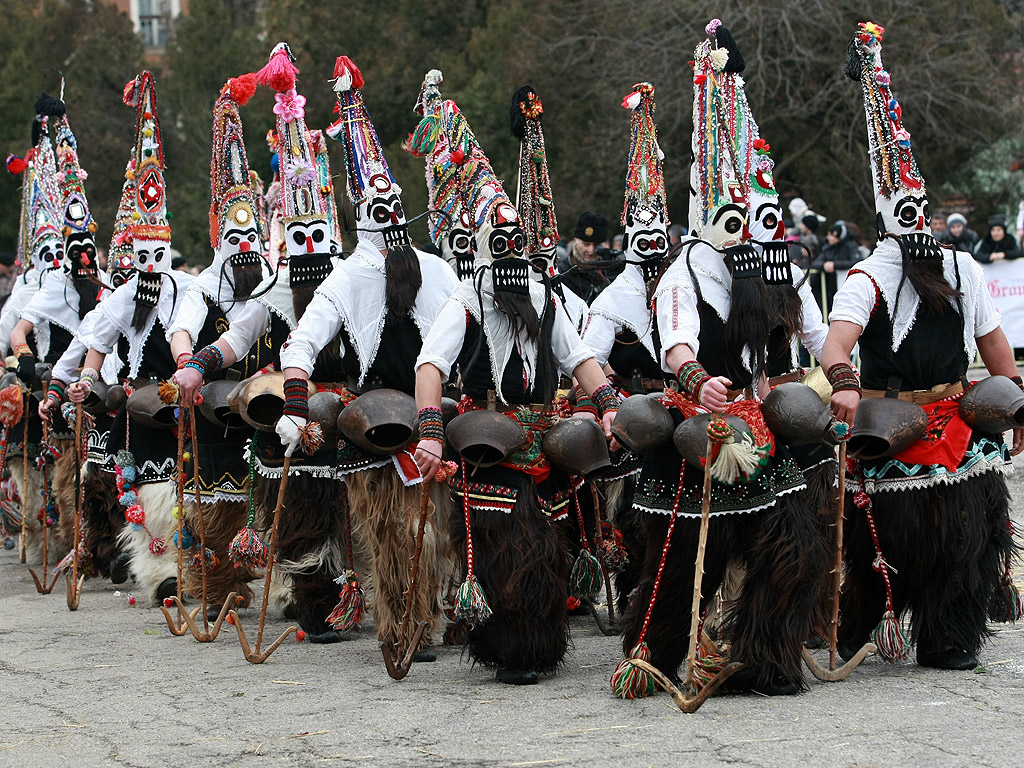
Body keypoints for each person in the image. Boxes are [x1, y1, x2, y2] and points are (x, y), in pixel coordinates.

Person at [617, 20, 832, 697]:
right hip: (698, 429)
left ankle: (765, 658)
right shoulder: (684, 272)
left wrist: (846, 381)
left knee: (797, 548)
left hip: (767, 426)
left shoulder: (775, 270)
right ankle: (651, 655)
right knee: (681, 564)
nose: (752, 232)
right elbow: (676, 340)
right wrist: (696, 378)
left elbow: (820, 336)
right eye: (737, 217)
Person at [823, 21, 1019, 671]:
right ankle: (863, 620)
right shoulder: (869, 273)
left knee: (969, 537)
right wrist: (845, 382)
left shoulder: (962, 266)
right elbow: (837, 341)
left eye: (921, 208)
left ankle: (951, 633)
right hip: (890, 423)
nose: (917, 218)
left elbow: (994, 346)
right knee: (885, 543)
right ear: (888, 213)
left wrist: (1018, 405)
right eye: (904, 209)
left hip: (959, 422)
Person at [412, 81, 618, 686]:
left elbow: (580, 359)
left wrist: (606, 403)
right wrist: (429, 433)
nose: (505, 254)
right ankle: (509, 645)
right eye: (494, 244)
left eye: (513, 244)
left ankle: (539, 644)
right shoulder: (467, 298)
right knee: (509, 552)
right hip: (487, 450)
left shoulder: (546, 294)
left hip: (547, 447)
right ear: (479, 248)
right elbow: (430, 366)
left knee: (550, 550)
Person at [274, 53, 457, 649]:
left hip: (433, 418)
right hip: (374, 423)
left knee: (433, 529)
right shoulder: (348, 277)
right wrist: (295, 406)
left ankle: (428, 613)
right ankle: (406, 619)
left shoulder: (438, 270)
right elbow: (300, 343)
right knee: (392, 529)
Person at [69, 71, 195, 605]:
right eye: (139, 256)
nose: (148, 266)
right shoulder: (120, 299)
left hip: (184, 399)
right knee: (152, 488)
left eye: (156, 255)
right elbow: (95, 348)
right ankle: (160, 570)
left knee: (194, 485)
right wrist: (83, 382)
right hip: (139, 404)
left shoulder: (187, 287)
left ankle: (197, 566)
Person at [167, 74, 274, 612]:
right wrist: (188, 363)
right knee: (216, 506)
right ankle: (215, 586)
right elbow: (183, 328)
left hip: (271, 409)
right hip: (215, 416)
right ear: (219, 241)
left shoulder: (273, 282)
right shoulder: (201, 286)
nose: (246, 250)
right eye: (235, 241)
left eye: (252, 239)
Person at [556, 211, 622, 303]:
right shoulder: (562, 274)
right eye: (586, 244)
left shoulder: (612, 271)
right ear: (575, 241)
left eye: (596, 245)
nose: (591, 250)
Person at [810, 220, 863, 317]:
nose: (828, 237)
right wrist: (824, 265)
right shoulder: (827, 247)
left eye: (831, 235)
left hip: (844, 283)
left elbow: (856, 261)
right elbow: (816, 262)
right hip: (830, 286)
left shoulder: (850, 246)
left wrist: (835, 265)